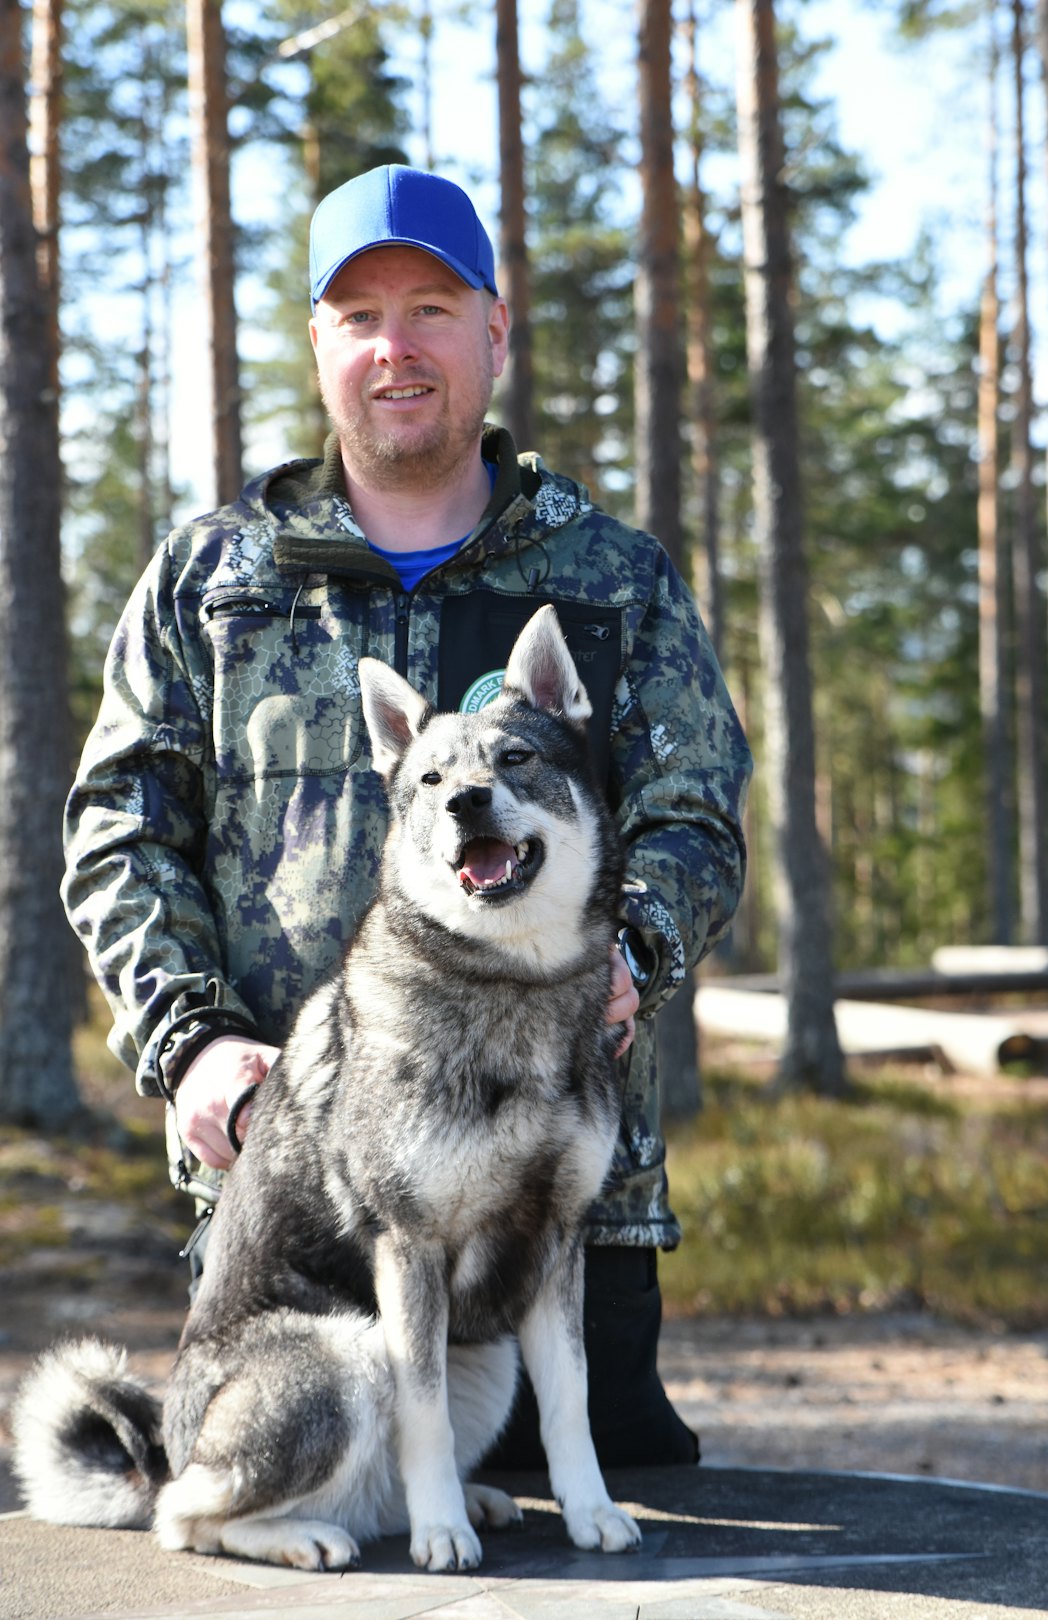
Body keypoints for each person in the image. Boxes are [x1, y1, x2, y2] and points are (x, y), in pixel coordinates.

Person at [62, 164, 752, 1469]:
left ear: (495, 330)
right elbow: (119, 833)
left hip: (563, 1232)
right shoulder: (212, 583)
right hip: (310, 1230)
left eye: (432, 307)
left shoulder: (608, 582)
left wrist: (631, 954)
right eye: (361, 315)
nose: (397, 347)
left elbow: (695, 812)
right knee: (316, 1540)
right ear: (320, 346)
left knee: (627, 1578)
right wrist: (191, 1039)